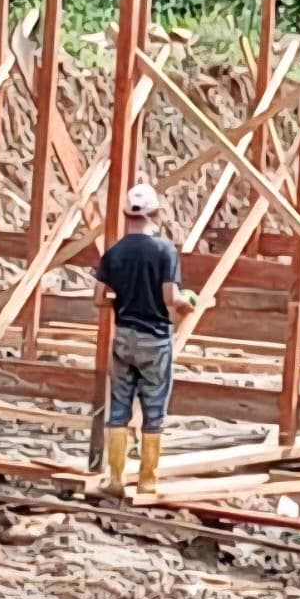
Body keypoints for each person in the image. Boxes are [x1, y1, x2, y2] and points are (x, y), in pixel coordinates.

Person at [93, 182, 194, 496]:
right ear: (156, 213)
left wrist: (124, 301)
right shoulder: (165, 250)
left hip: (124, 335)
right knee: (154, 410)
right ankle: (148, 479)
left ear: (127, 214)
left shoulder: (114, 252)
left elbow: (99, 298)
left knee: (119, 407)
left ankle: (115, 480)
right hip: (155, 338)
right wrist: (186, 304)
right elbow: (170, 296)